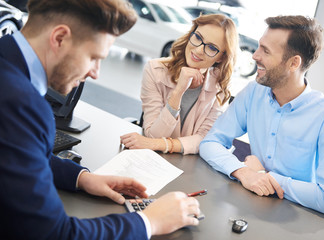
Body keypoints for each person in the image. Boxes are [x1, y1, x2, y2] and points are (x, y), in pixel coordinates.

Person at [0, 0, 201, 239]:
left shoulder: (7, 59)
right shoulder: (22, 103)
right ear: (60, 38)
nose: (95, 72)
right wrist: (149, 221)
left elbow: (16, 155)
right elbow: (53, 234)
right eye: (94, 57)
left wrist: (81, 178)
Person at [199, 15, 324, 217]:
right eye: (259, 46)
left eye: (266, 51)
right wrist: (243, 172)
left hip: (297, 219)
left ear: (294, 63)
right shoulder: (254, 92)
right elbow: (210, 142)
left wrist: (264, 176)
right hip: (251, 206)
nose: (255, 56)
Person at [120, 14, 238, 155]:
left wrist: (162, 144)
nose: (199, 49)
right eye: (198, 38)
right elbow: (153, 135)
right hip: (151, 158)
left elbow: (205, 140)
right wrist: (178, 91)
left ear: (221, 57)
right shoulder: (155, 70)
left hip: (188, 166)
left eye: (212, 48)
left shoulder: (220, 87)